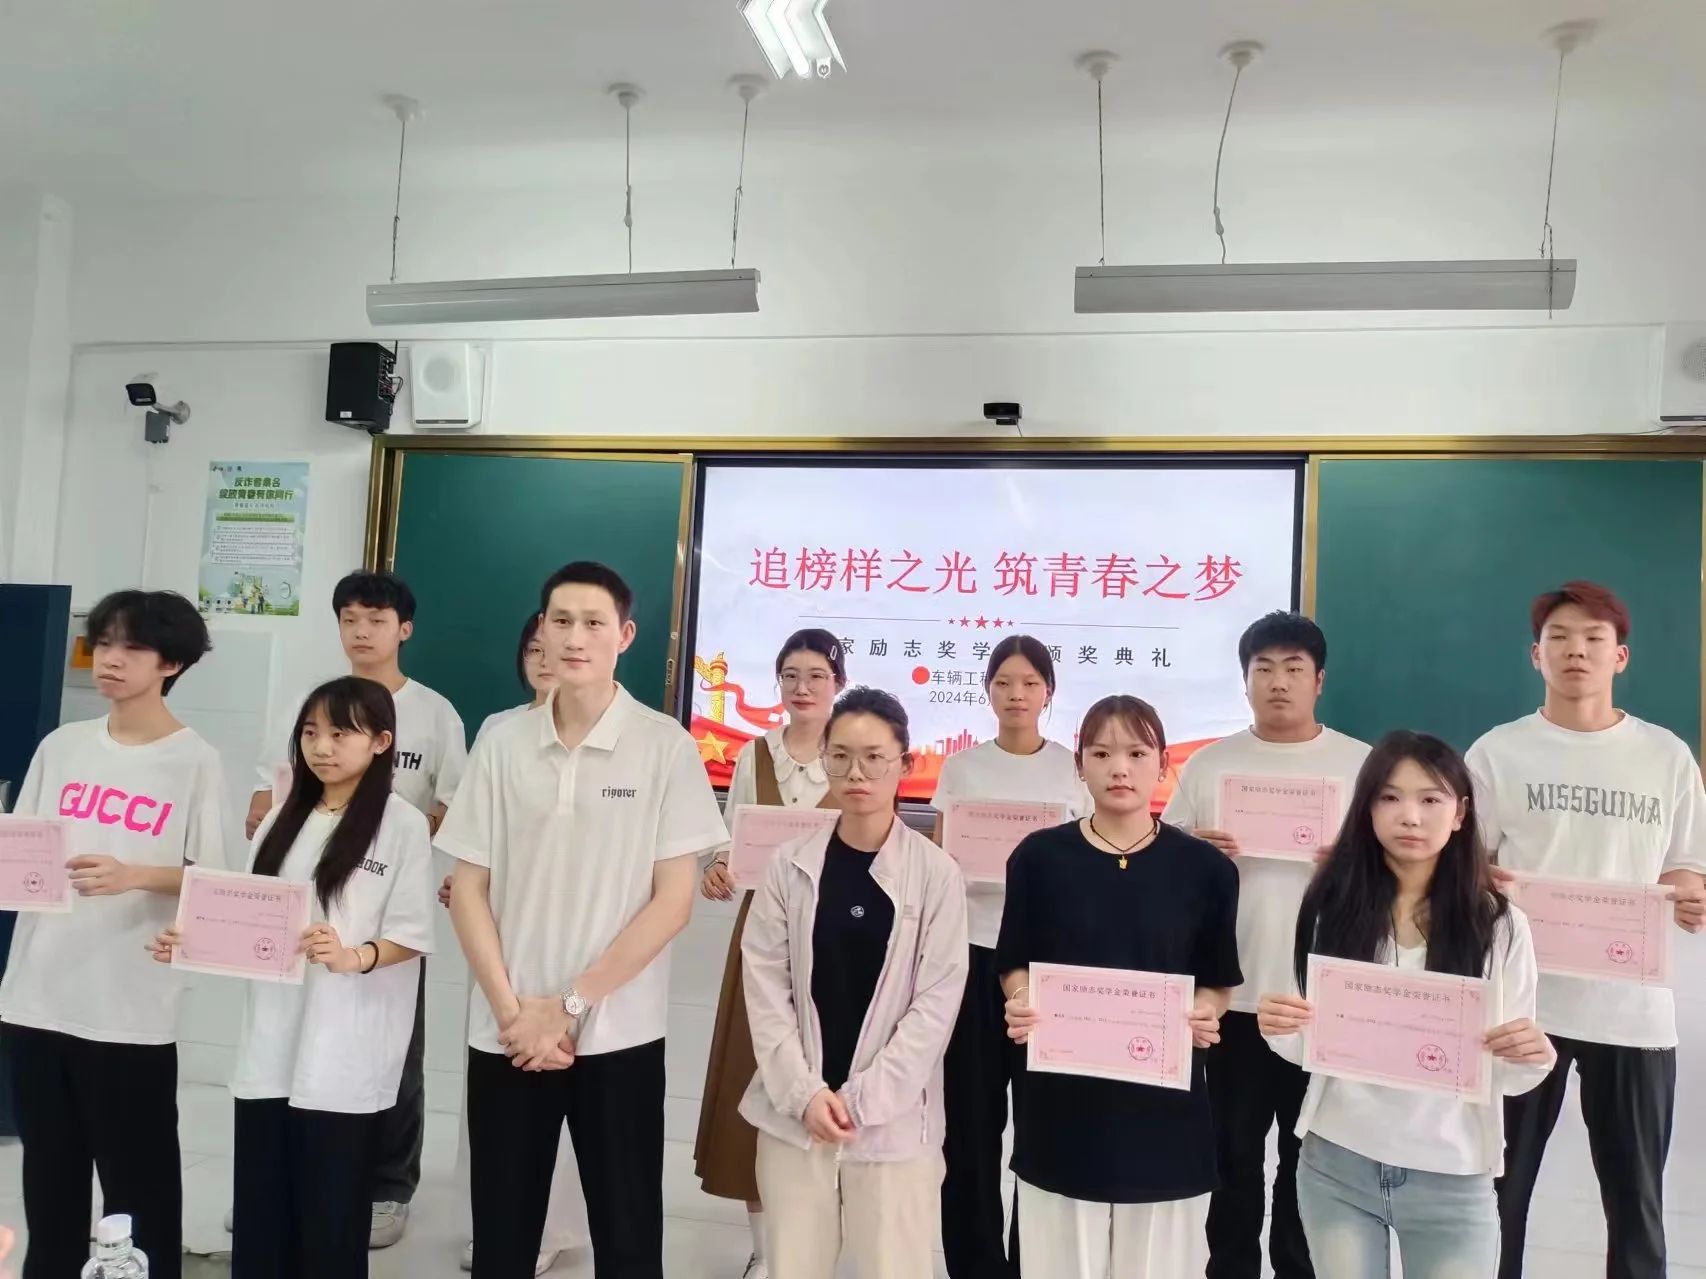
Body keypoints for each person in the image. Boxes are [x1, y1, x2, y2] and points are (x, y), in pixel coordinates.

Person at [438, 561, 727, 1279]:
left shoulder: (664, 745)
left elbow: (673, 902)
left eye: (594, 622)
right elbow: (468, 888)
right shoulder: (502, 740)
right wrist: (515, 1012)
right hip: (508, 1030)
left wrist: (569, 1005)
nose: (574, 637)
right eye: (560, 620)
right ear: (540, 629)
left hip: (619, 1031)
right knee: (502, 1235)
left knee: (627, 1235)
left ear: (624, 635)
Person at [152, 677, 435, 1278]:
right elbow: (245, 910)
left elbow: (412, 933)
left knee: (332, 1215)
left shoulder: (402, 824)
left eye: (340, 733)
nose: (321, 747)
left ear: (381, 742)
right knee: (262, 1208)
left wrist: (352, 955)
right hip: (272, 1040)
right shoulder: (283, 816)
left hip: (348, 1046)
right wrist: (190, 939)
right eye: (310, 732)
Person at [1467, 581, 1706, 1279]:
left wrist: (1689, 897)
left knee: (1636, 1204)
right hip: (1520, 1006)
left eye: (1594, 638)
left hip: (1632, 1011)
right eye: (1561, 637)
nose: (1577, 650)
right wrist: (1478, 882)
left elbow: (1685, 866)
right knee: (1497, 1196)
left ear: (1620, 656)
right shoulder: (1498, 752)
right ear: (1536, 654)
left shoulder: (1666, 755)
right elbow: (1464, 865)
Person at [1256, 731, 1555, 1277]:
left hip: (1452, 1176)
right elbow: (1308, 1046)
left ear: (1460, 813)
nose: (1410, 817)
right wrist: (1280, 1026)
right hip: (1338, 1165)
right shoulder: (1329, 908)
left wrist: (1532, 1055)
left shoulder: (1499, 924)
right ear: (1367, 810)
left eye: (1430, 799)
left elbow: (1510, 1075)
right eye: (1389, 798)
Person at [0, 590, 227, 1279]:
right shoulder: (62, 746)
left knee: (139, 1185)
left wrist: (136, 875)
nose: (111, 659)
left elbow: (213, 880)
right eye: (103, 644)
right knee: (50, 1179)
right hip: (38, 994)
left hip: (129, 1009)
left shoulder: (194, 761)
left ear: (172, 663)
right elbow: (22, 851)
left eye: (132, 647)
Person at [247, 569, 466, 1248]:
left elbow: (454, 806)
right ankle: (281, 1191)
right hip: (300, 908)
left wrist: (385, 842)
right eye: (349, 618)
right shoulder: (305, 704)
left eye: (376, 619)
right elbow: (267, 793)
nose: (361, 631)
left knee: (393, 1054)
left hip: (380, 909)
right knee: (287, 1050)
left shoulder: (435, 712)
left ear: (404, 628)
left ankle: (387, 1186)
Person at [1160, 611, 1371, 1279]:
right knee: (1232, 1158)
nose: (1278, 682)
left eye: (1294, 669)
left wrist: (1359, 860)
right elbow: (1161, 867)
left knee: (1310, 1159)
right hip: (1233, 997)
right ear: (1245, 680)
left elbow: (1404, 867)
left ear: (1320, 680)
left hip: (1324, 1002)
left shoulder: (1362, 765)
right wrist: (1192, 852)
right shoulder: (1210, 765)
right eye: (1264, 669)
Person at [1000, 695, 1240, 1279]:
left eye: (1136, 753)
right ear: (1079, 765)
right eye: (1102, 753)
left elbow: (1217, 979)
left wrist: (1205, 1013)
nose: (1119, 768)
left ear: (1163, 764)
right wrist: (1021, 1000)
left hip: (1164, 1109)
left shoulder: (1207, 870)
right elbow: (1014, 962)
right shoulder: (1038, 858)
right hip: (1062, 1107)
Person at [740, 687, 969, 1278]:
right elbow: (765, 991)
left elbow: (935, 1006)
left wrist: (862, 1100)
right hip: (796, 1118)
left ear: (905, 763)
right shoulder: (789, 864)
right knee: (793, 1267)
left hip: (894, 1127)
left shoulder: (936, 874)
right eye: (839, 757)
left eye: (873, 757)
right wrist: (804, 1093)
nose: (855, 773)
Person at [928, 634, 1089, 1279]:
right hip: (972, 957)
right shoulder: (961, 769)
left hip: (1050, 964)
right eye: (1003, 683)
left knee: (1043, 1124)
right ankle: (975, 1264)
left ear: (1048, 692)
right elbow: (942, 864)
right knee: (971, 1124)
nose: (1015, 695)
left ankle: (1034, 1262)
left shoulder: (1074, 769)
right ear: (987, 690)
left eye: (1029, 683)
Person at [696, 629, 847, 1279]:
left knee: (834, 1083)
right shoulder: (753, 755)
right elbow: (728, 843)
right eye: (790, 675)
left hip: (841, 943)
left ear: (839, 683)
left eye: (816, 675)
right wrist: (716, 867)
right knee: (752, 1081)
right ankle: (766, 1248)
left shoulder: (854, 754)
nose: (802, 687)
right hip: (762, 940)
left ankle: (822, 1242)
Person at [448, 615, 589, 1277]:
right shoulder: (498, 732)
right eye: (533, 648)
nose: (545, 658)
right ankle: (495, 1225)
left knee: (565, 1094)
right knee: (496, 1099)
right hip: (499, 941)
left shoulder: (616, 739)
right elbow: (477, 839)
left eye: (554, 647)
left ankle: (551, 1227)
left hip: (572, 952)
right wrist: (466, 882)